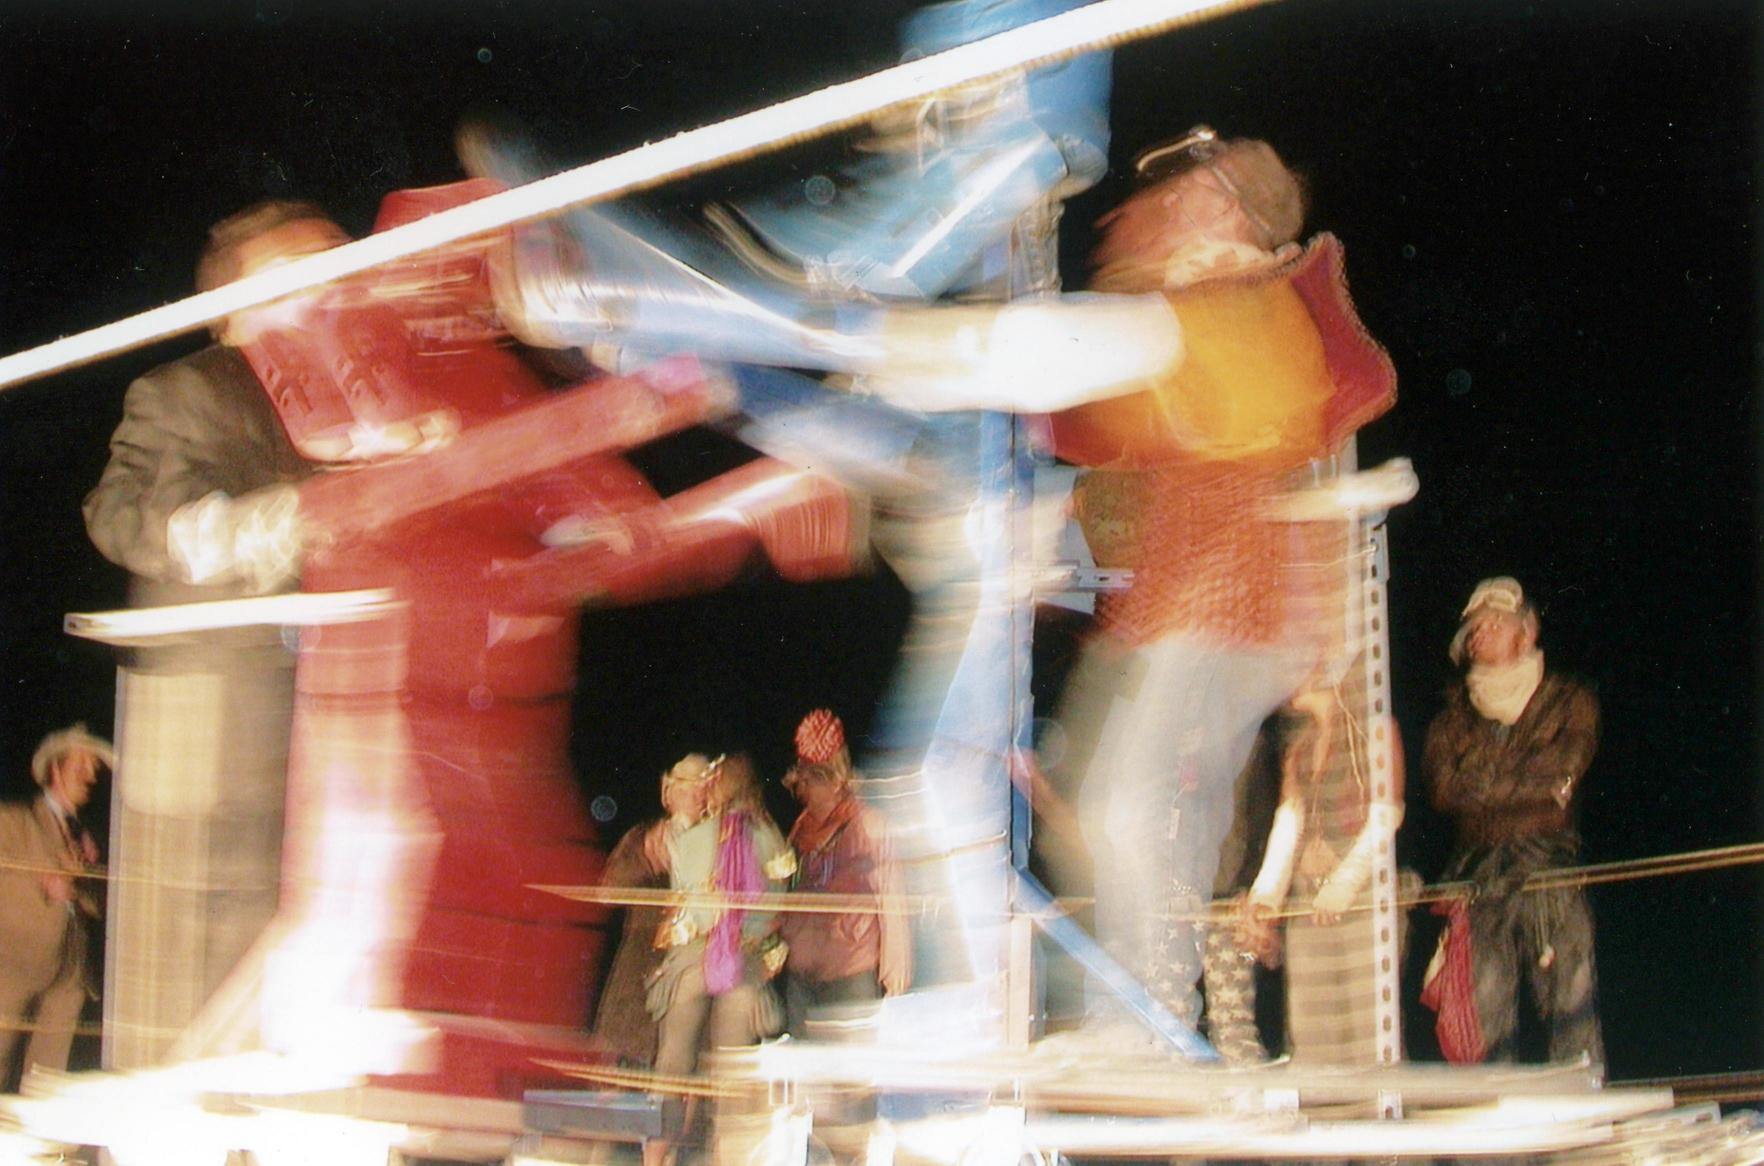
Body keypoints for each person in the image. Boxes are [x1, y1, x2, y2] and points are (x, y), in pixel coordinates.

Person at [1421, 577, 1603, 1066]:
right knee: (1485, 1022)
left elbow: (1561, 776)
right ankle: (1495, 1115)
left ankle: (1582, 1101)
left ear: (1527, 632)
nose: (1481, 635)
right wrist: (1525, 780)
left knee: (1572, 1007)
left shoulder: (1570, 699)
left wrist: (1487, 788)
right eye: (1474, 629)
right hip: (1478, 877)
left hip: (1550, 867)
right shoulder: (1451, 717)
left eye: (1495, 624)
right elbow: (1445, 791)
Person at [643, 752, 791, 1166]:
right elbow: (777, 908)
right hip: (743, 966)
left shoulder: (690, 838)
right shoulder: (771, 839)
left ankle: (653, 1159)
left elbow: (682, 901)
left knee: (673, 1064)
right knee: (732, 1076)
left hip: (692, 961)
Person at [779, 710, 911, 1036]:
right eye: (802, 779)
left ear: (835, 779)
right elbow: (788, 894)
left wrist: (896, 967)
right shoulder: (799, 831)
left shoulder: (870, 825)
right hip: (802, 974)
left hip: (851, 973)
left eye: (812, 779)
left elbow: (892, 899)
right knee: (805, 1063)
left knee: (851, 1063)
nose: (804, 789)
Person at [0, 725, 113, 1088]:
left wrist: (84, 882)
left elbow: (96, 905)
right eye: (81, 765)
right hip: (13, 964)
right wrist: (41, 880)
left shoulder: (86, 836)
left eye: (94, 767)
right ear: (55, 770)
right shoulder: (15, 821)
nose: (90, 775)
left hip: (69, 973)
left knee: (47, 1076)